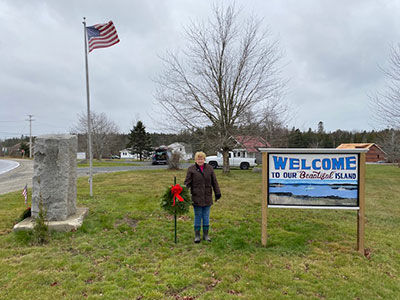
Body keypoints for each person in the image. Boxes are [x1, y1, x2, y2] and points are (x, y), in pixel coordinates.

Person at [184, 151, 221, 243]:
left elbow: (214, 182)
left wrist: (217, 193)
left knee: (206, 216)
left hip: (207, 196)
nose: (200, 160)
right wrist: (182, 191)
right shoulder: (191, 169)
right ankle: (197, 236)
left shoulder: (210, 168)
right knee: (198, 215)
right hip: (196, 197)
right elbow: (187, 183)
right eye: (198, 159)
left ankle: (206, 235)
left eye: (201, 159)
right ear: (195, 160)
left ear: (204, 159)